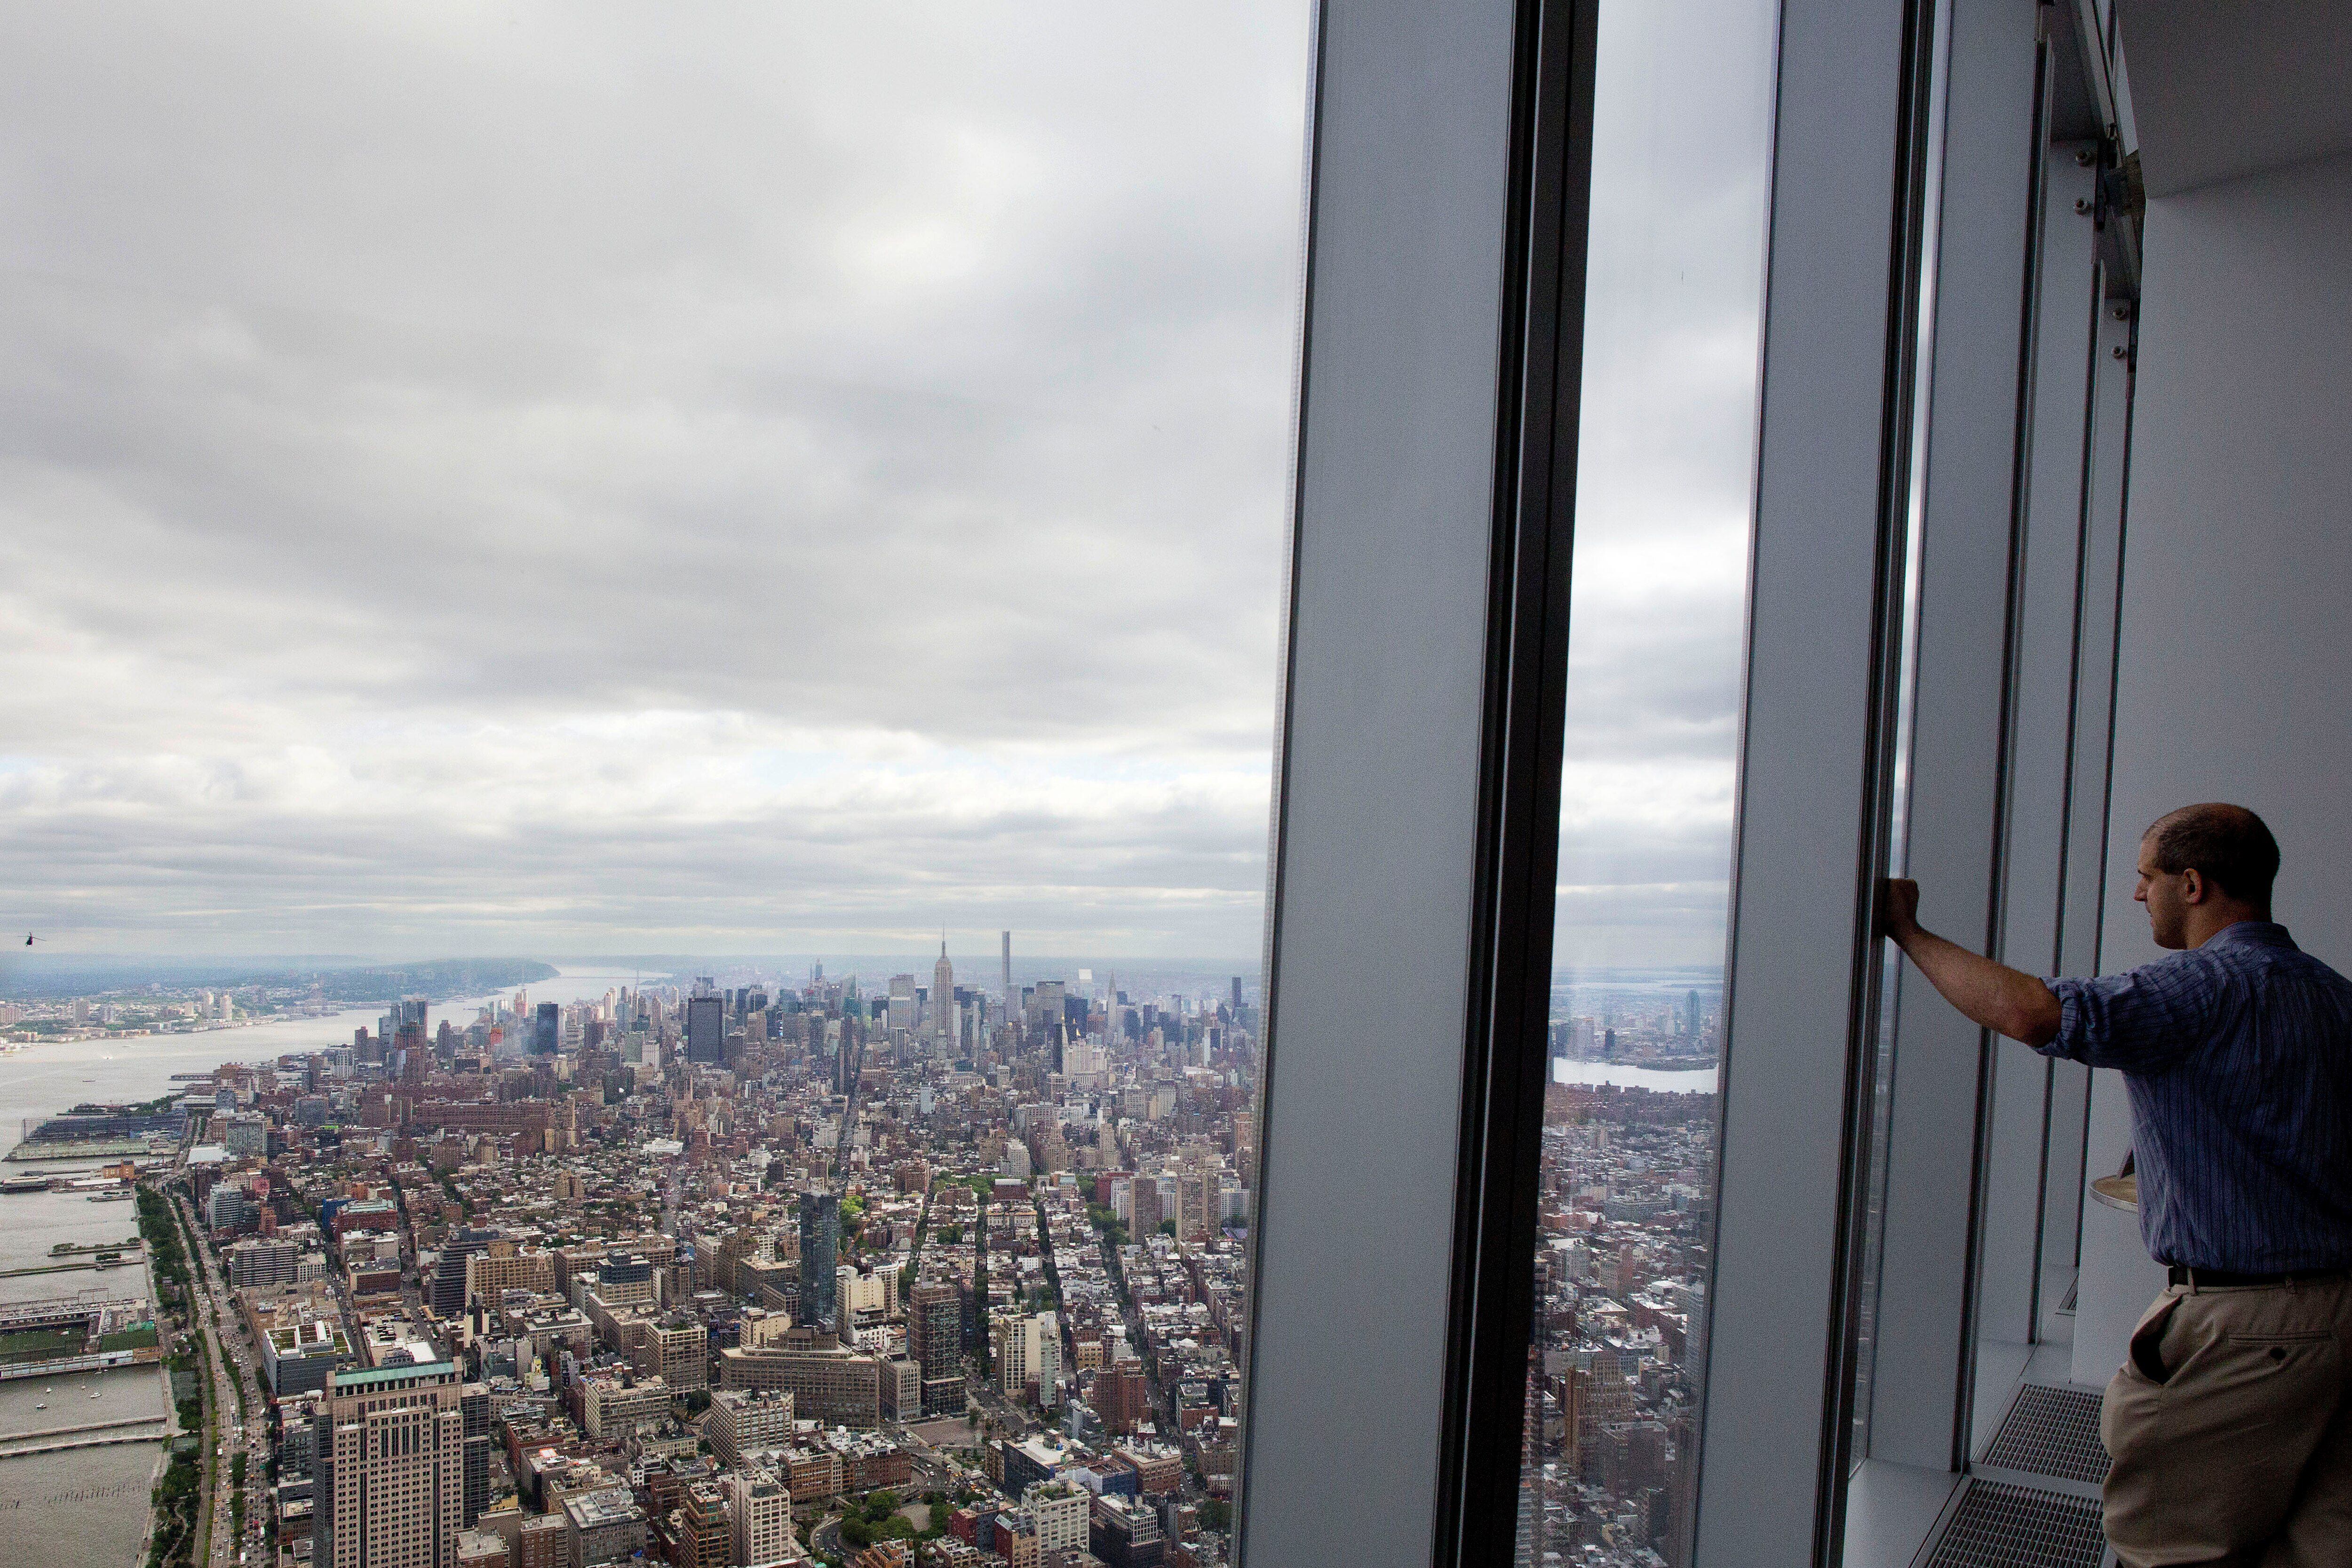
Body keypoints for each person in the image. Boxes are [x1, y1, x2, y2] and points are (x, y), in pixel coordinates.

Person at [1882, 802, 2352, 1567]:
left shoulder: (2200, 987)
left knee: (2169, 1546)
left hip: (2245, 1330)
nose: (2139, 894)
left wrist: (1910, 932)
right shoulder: (2333, 995)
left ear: (2192, 884)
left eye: (2147, 876)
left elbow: (2037, 1014)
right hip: (2337, 1316)